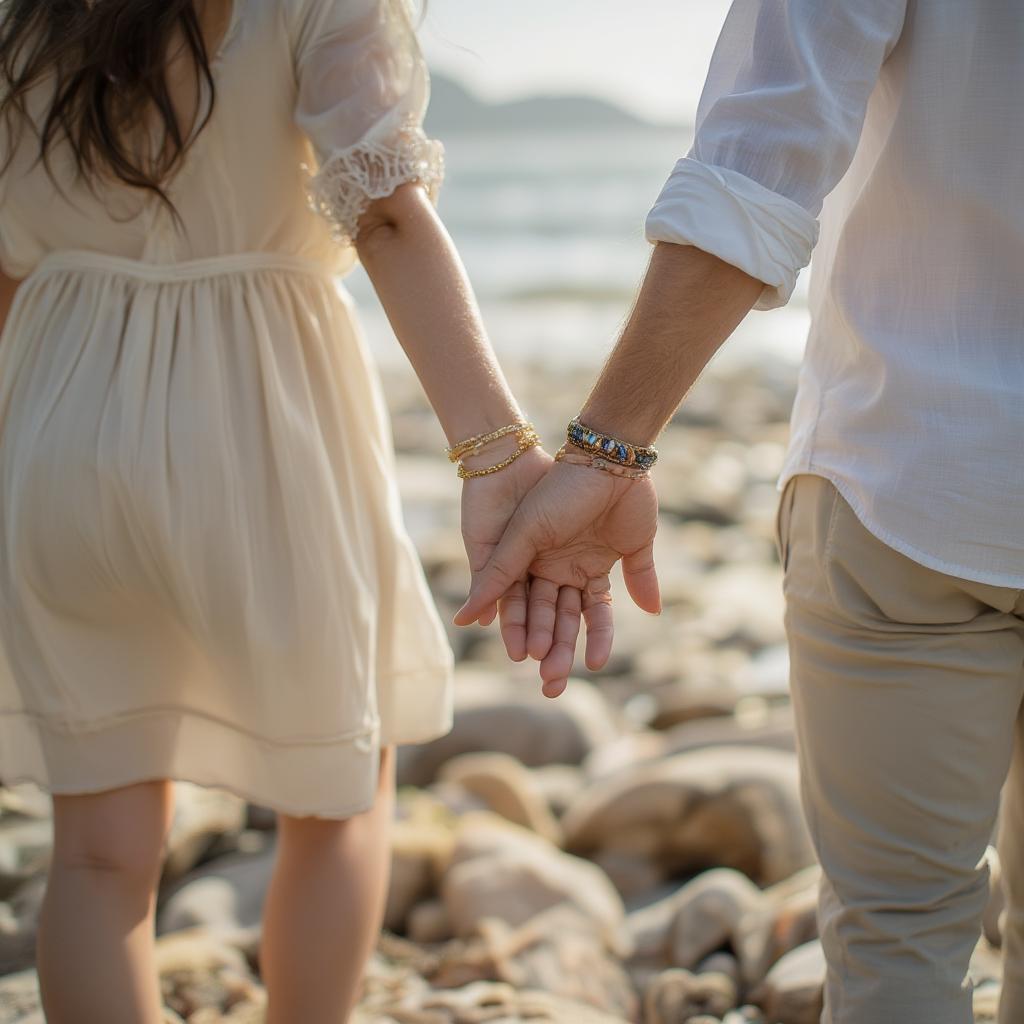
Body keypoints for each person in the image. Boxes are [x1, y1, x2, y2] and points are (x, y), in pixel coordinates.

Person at [0, 1, 564, 1021]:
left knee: (95, 855)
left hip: (59, 425)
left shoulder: (29, 19)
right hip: (260, 430)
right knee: (337, 795)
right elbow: (385, 213)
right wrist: (498, 449)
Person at [460, 2, 1024, 1022]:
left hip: (910, 473)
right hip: (902, 487)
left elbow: (756, 172)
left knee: (898, 931)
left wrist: (606, 451)